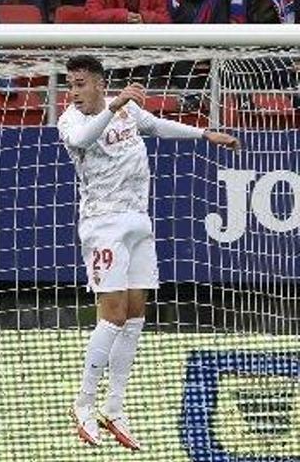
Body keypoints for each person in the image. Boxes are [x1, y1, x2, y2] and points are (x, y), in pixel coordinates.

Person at [58, 55, 239, 450]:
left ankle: (115, 407)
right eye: (71, 84)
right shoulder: (71, 119)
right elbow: (83, 140)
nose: (74, 92)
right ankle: (83, 404)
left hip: (138, 220)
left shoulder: (127, 111)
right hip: (103, 223)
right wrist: (117, 105)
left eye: (81, 83)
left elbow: (157, 126)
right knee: (113, 315)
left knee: (137, 315)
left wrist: (205, 134)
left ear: (100, 83)